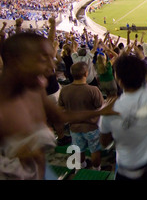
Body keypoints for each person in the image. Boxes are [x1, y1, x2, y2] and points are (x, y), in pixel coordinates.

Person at [0, 32, 116, 180]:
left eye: (51, 57)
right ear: (15, 59)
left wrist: (101, 111)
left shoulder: (35, 87)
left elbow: (60, 115)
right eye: (43, 59)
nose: (52, 65)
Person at [99, 0, 147, 180]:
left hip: (127, 173)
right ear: (144, 74)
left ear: (118, 79)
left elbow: (105, 142)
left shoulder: (109, 110)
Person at [58, 62, 105, 171]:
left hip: (74, 128)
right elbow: (102, 109)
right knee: (95, 150)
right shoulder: (93, 90)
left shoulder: (64, 90)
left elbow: (60, 109)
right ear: (86, 73)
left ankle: (81, 167)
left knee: (79, 150)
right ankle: (96, 169)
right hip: (92, 128)